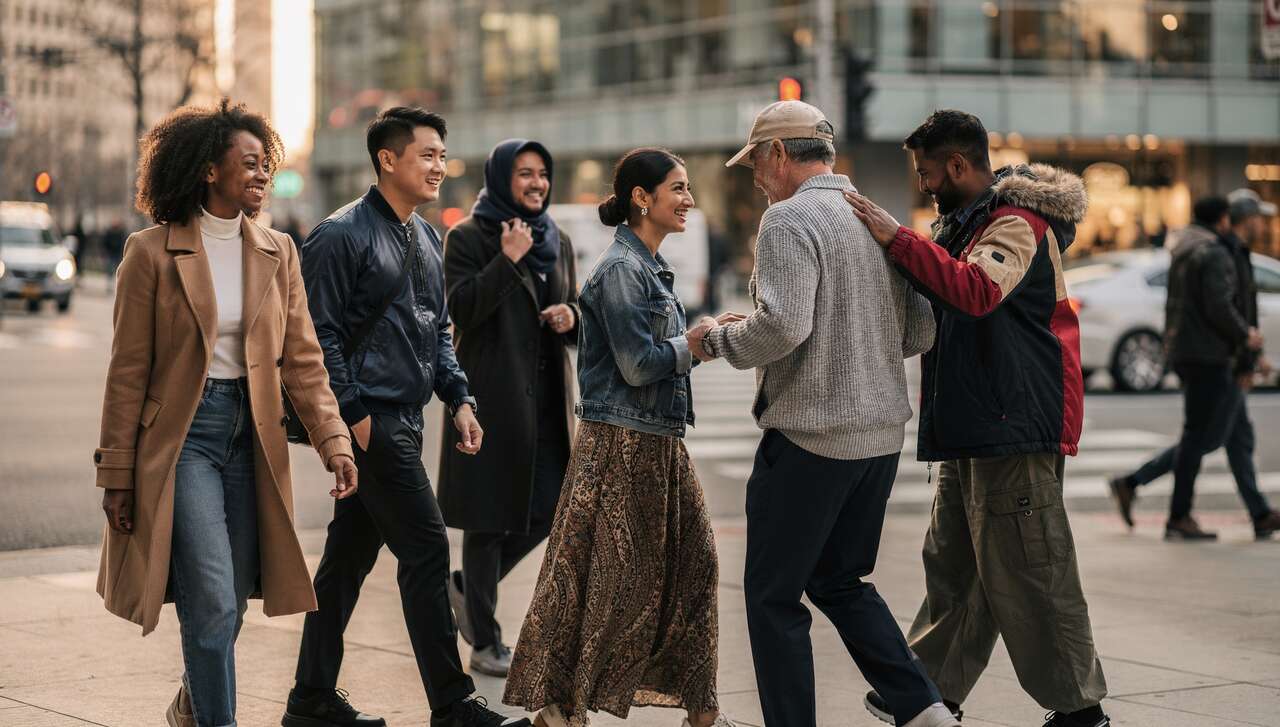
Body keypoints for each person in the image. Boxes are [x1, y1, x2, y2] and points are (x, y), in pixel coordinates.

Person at [93, 99, 359, 727]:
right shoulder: (150, 252)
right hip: (184, 440)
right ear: (209, 169)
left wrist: (334, 440)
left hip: (254, 438)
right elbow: (127, 372)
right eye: (249, 163)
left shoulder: (278, 251)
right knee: (210, 599)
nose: (262, 174)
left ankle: (191, 704)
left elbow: (303, 359)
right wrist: (116, 473)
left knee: (232, 602)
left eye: (266, 164)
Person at [692, 101, 952, 727]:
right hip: (880, 436)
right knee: (841, 580)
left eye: (756, 159)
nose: (754, 174)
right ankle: (924, 710)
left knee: (773, 598)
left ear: (779, 154)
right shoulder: (875, 218)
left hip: (811, 440)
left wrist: (716, 341)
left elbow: (783, 326)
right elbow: (919, 329)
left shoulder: (788, 219)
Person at [846, 110, 1110, 727]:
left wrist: (896, 238)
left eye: (928, 171)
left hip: (1012, 423)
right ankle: (928, 692)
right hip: (977, 422)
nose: (924, 184)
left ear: (958, 165)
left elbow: (976, 292)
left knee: (1031, 568)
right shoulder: (962, 225)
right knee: (955, 565)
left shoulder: (1014, 223)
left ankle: (1080, 712)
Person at [284, 107, 525, 727]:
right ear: (388, 159)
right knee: (424, 551)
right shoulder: (340, 236)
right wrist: (357, 420)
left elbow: (436, 329)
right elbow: (317, 337)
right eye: (427, 154)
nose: (440, 166)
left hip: (406, 421)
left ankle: (310, 698)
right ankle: (452, 704)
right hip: (371, 424)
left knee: (345, 563)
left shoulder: (424, 236)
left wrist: (461, 397)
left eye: (443, 155)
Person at [503, 148, 734, 727]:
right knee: (601, 576)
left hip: (656, 440)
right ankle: (561, 705)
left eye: (687, 188)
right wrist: (698, 343)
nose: (688, 199)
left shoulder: (649, 266)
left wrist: (697, 341)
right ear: (641, 197)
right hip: (621, 444)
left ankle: (698, 710)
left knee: (690, 566)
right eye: (677, 189)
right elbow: (637, 364)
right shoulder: (622, 270)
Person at [437, 139, 579, 678]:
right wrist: (507, 259)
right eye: (524, 174)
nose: (537, 183)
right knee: (488, 522)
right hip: (492, 399)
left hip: (545, 402)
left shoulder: (557, 239)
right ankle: (485, 641)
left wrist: (573, 315)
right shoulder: (469, 237)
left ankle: (468, 594)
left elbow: (574, 302)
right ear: (502, 179)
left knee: (548, 512)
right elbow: (463, 310)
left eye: (543, 173)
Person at [1108, 193, 1276, 539]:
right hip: (1212, 357)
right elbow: (1225, 307)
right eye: (1259, 217)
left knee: (1236, 437)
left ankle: (1259, 513)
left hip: (1201, 354)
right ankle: (1158, 501)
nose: (1263, 223)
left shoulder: (1191, 247)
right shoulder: (1218, 251)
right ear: (1231, 218)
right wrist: (1247, 342)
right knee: (1204, 437)